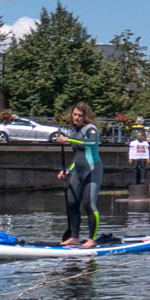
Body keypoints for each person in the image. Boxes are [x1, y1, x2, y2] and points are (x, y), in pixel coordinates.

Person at [52, 103, 102, 247]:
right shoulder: (74, 131)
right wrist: (69, 170)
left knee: (89, 204)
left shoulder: (91, 129)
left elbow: (91, 143)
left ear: (85, 116)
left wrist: (68, 140)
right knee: (72, 203)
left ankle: (92, 239)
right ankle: (74, 237)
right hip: (78, 172)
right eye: (75, 115)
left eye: (80, 115)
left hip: (93, 170)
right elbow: (78, 157)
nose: (77, 118)